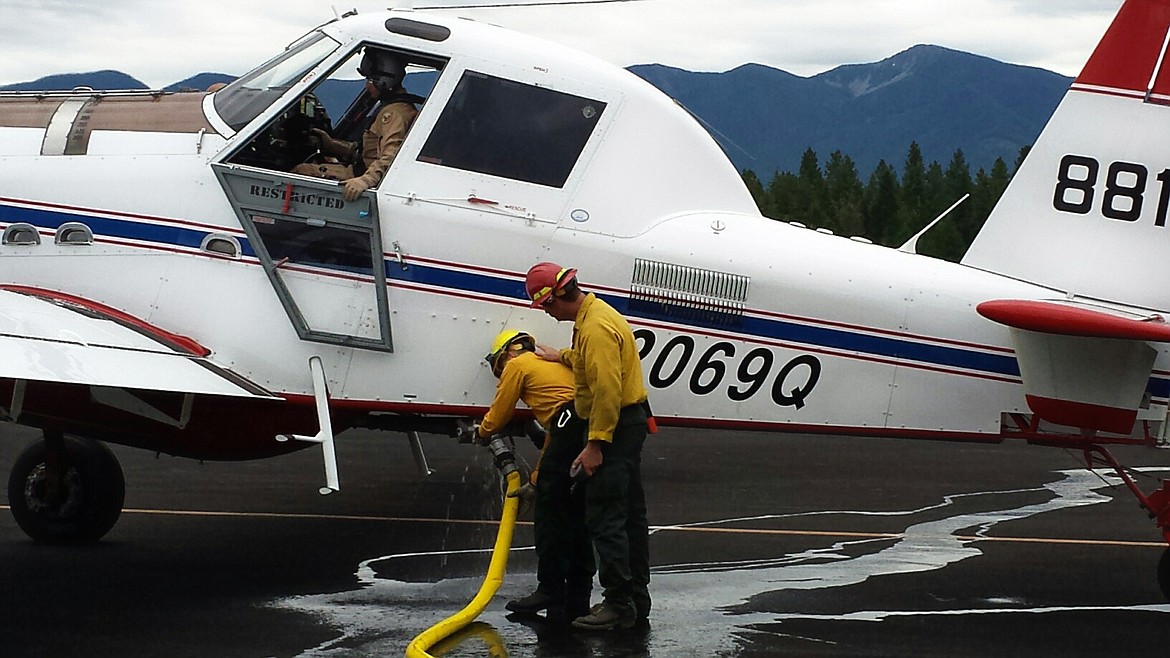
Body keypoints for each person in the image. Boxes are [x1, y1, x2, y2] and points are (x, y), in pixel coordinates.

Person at [525, 262, 652, 631]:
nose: (547, 313)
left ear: (556, 298)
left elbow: (607, 391)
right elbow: (591, 366)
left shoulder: (594, 328)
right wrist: (562, 356)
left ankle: (618, 606)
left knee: (606, 517)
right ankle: (635, 600)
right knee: (630, 517)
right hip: (629, 425)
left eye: (546, 306)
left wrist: (596, 444)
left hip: (614, 428)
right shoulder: (595, 315)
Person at [478, 329, 595, 620]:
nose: (502, 372)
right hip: (586, 427)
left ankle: (551, 587)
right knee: (576, 514)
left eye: (499, 367)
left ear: (507, 353)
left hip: (567, 424)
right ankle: (580, 588)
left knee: (549, 514)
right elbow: (555, 441)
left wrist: (482, 431)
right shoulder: (553, 363)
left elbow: (500, 413)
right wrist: (539, 475)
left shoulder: (517, 365)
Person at [308, 49, 419, 202]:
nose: (367, 85)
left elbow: (392, 155)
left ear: (384, 82)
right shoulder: (392, 107)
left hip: (360, 174)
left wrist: (366, 180)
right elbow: (369, 152)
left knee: (302, 170)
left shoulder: (394, 114)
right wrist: (331, 145)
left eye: (370, 80)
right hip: (360, 169)